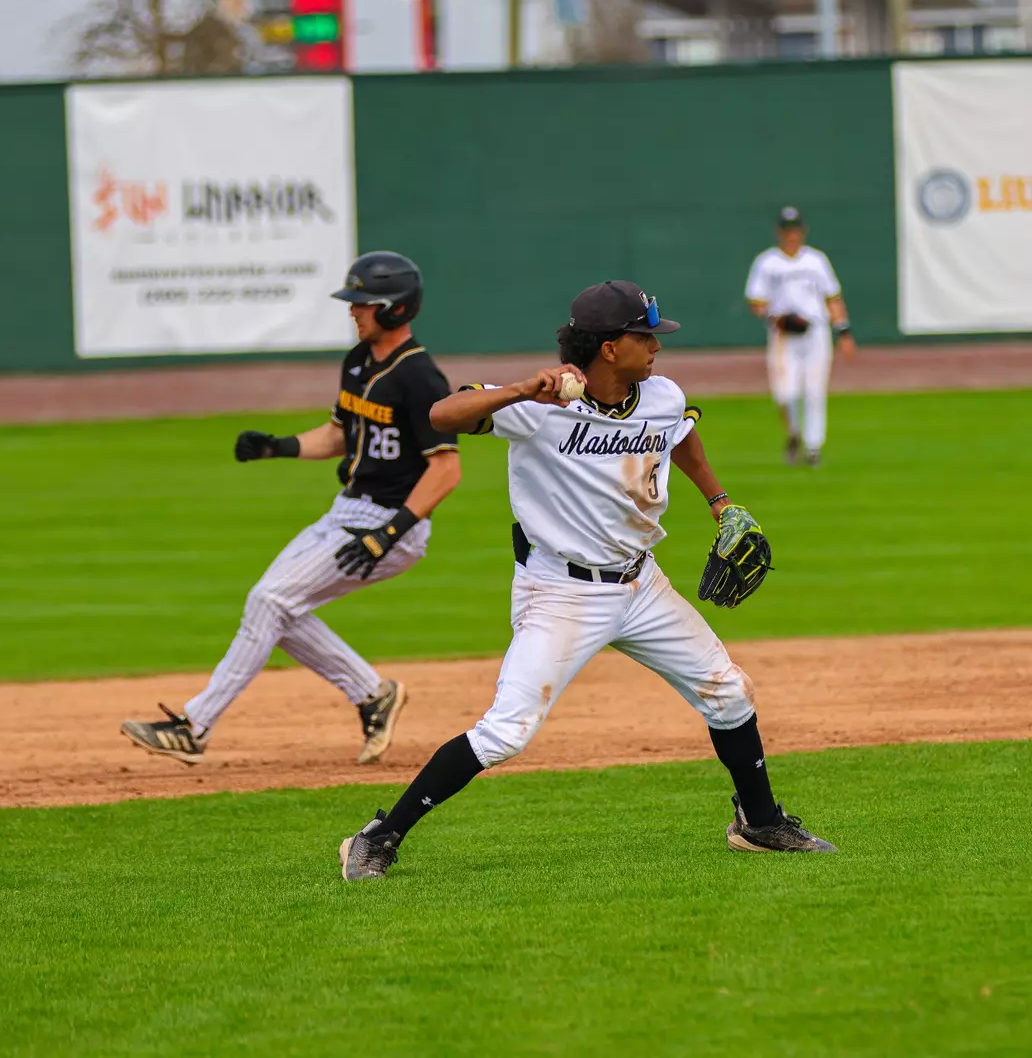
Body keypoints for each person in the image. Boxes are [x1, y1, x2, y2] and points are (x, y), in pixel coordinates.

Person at [337, 279, 835, 880]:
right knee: (506, 733)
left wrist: (721, 503)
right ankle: (380, 835)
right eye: (644, 335)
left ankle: (759, 822)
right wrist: (521, 389)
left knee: (728, 692)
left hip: (641, 585)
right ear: (606, 347)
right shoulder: (535, 407)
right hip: (561, 592)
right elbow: (441, 413)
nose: (656, 345)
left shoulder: (662, 394)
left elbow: (680, 438)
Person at [121, 251, 460, 766]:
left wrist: (390, 533)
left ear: (394, 308)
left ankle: (195, 726)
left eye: (363, 303)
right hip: (347, 511)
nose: (353, 311)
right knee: (276, 606)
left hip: (392, 524)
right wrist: (277, 446)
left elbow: (446, 470)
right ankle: (374, 694)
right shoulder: (358, 362)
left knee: (269, 602)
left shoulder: (421, 378)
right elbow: (340, 435)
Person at [745, 206, 856, 467]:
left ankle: (814, 447)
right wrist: (775, 318)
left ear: (803, 231)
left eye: (795, 230)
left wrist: (844, 331)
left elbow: (833, 297)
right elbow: (756, 302)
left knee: (815, 391)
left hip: (815, 331)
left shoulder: (816, 260)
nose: (791, 235)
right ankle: (794, 433)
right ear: (778, 232)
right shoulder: (767, 262)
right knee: (785, 393)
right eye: (786, 230)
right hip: (783, 334)